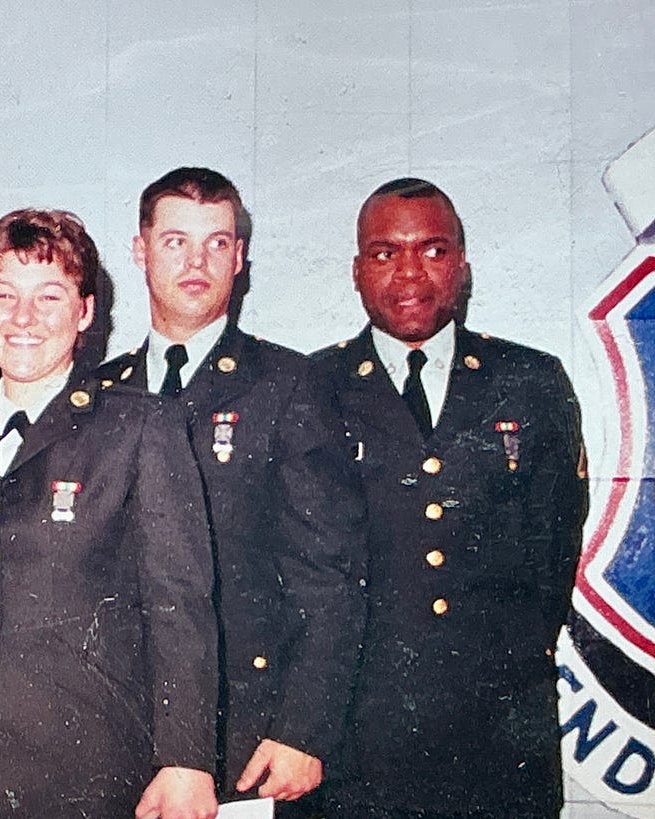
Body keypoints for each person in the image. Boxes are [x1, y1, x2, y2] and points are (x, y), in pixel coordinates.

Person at [0, 209, 219, 819]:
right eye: (5, 295)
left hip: (85, 772)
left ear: (86, 312)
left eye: (50, 296)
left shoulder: (139, 428)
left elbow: (179, 606)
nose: (23, 319)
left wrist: (187, 760)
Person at [314, 178, 588, 818]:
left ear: (462, 265)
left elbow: (553, 553)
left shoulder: (530, 381)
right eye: (385, 253)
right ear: (357, 272)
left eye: (432, 251)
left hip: (495, 738)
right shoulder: (311, 389)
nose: (409, 273)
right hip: (356, 744)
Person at [97, 168, 366, 811]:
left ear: (240, 257)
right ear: (140, 249)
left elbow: (330, 575)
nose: (197, 261)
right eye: (175, 241)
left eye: (217, 243)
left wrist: (302, 729)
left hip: (242, 737)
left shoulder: (288, 385)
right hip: (112, 730)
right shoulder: (99, 392)